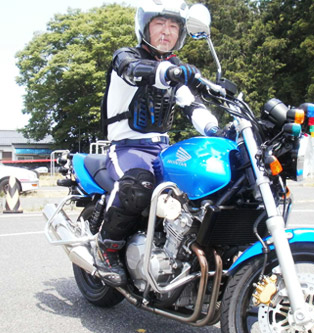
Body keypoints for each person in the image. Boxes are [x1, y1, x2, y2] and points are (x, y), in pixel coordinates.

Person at [94, 0, 221, 287]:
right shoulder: (126, 57)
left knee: (198, 189)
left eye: (173, 26)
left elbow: (192, 105)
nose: (167, 31)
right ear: (145, 27)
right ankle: (107, 246)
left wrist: (216, 129)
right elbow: (134, 70)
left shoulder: (175, 68)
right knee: (138, 185)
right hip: (126, 147)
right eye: (159, 24)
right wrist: (170, 72)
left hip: (162, 149)